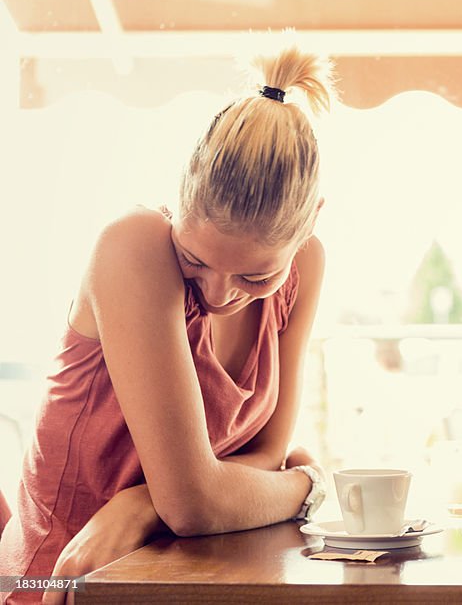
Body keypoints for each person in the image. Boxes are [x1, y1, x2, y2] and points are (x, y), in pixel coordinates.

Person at [0, 45, 331, 604]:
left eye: (254, 277)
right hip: (56, 581)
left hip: (180, 577)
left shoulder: (307, 265)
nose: (219, 293)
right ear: (177, 202)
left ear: (309, 225)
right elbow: (197, 503)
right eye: (196, 261)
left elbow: (264, 455)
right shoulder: (133, 246)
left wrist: (144, 501)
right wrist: (310, 484)